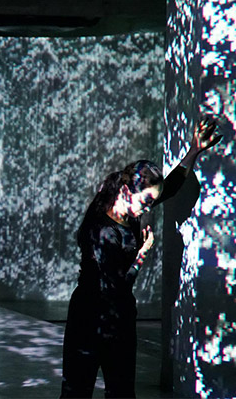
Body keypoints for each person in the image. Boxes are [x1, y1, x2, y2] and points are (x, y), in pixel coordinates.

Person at [60, 118, 221, 398]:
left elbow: (169, 187)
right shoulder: (102, 230)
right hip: (89, 319)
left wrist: (194, 149)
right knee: (76, 393)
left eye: (150, 203)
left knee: (122, 393)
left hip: (120, 318)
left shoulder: (127, 203)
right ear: (126, 191)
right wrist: (141, 256)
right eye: (145, 202)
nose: (147, 208)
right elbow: (115, 287)